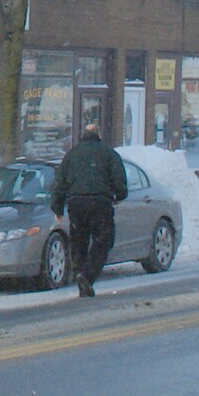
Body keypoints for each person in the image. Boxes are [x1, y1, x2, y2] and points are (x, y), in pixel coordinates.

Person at [50, 126, 127, 297]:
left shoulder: (71, 155)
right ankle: (88, 275)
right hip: (101, 203)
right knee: (103, 241)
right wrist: (120, 194)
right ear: (98, 135)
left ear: (82, 136)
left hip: (76, 203)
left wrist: (57, 207)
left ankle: (80, 274)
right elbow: (119, 179)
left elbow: (59, 183)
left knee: (78, 241)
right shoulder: (108, 153)